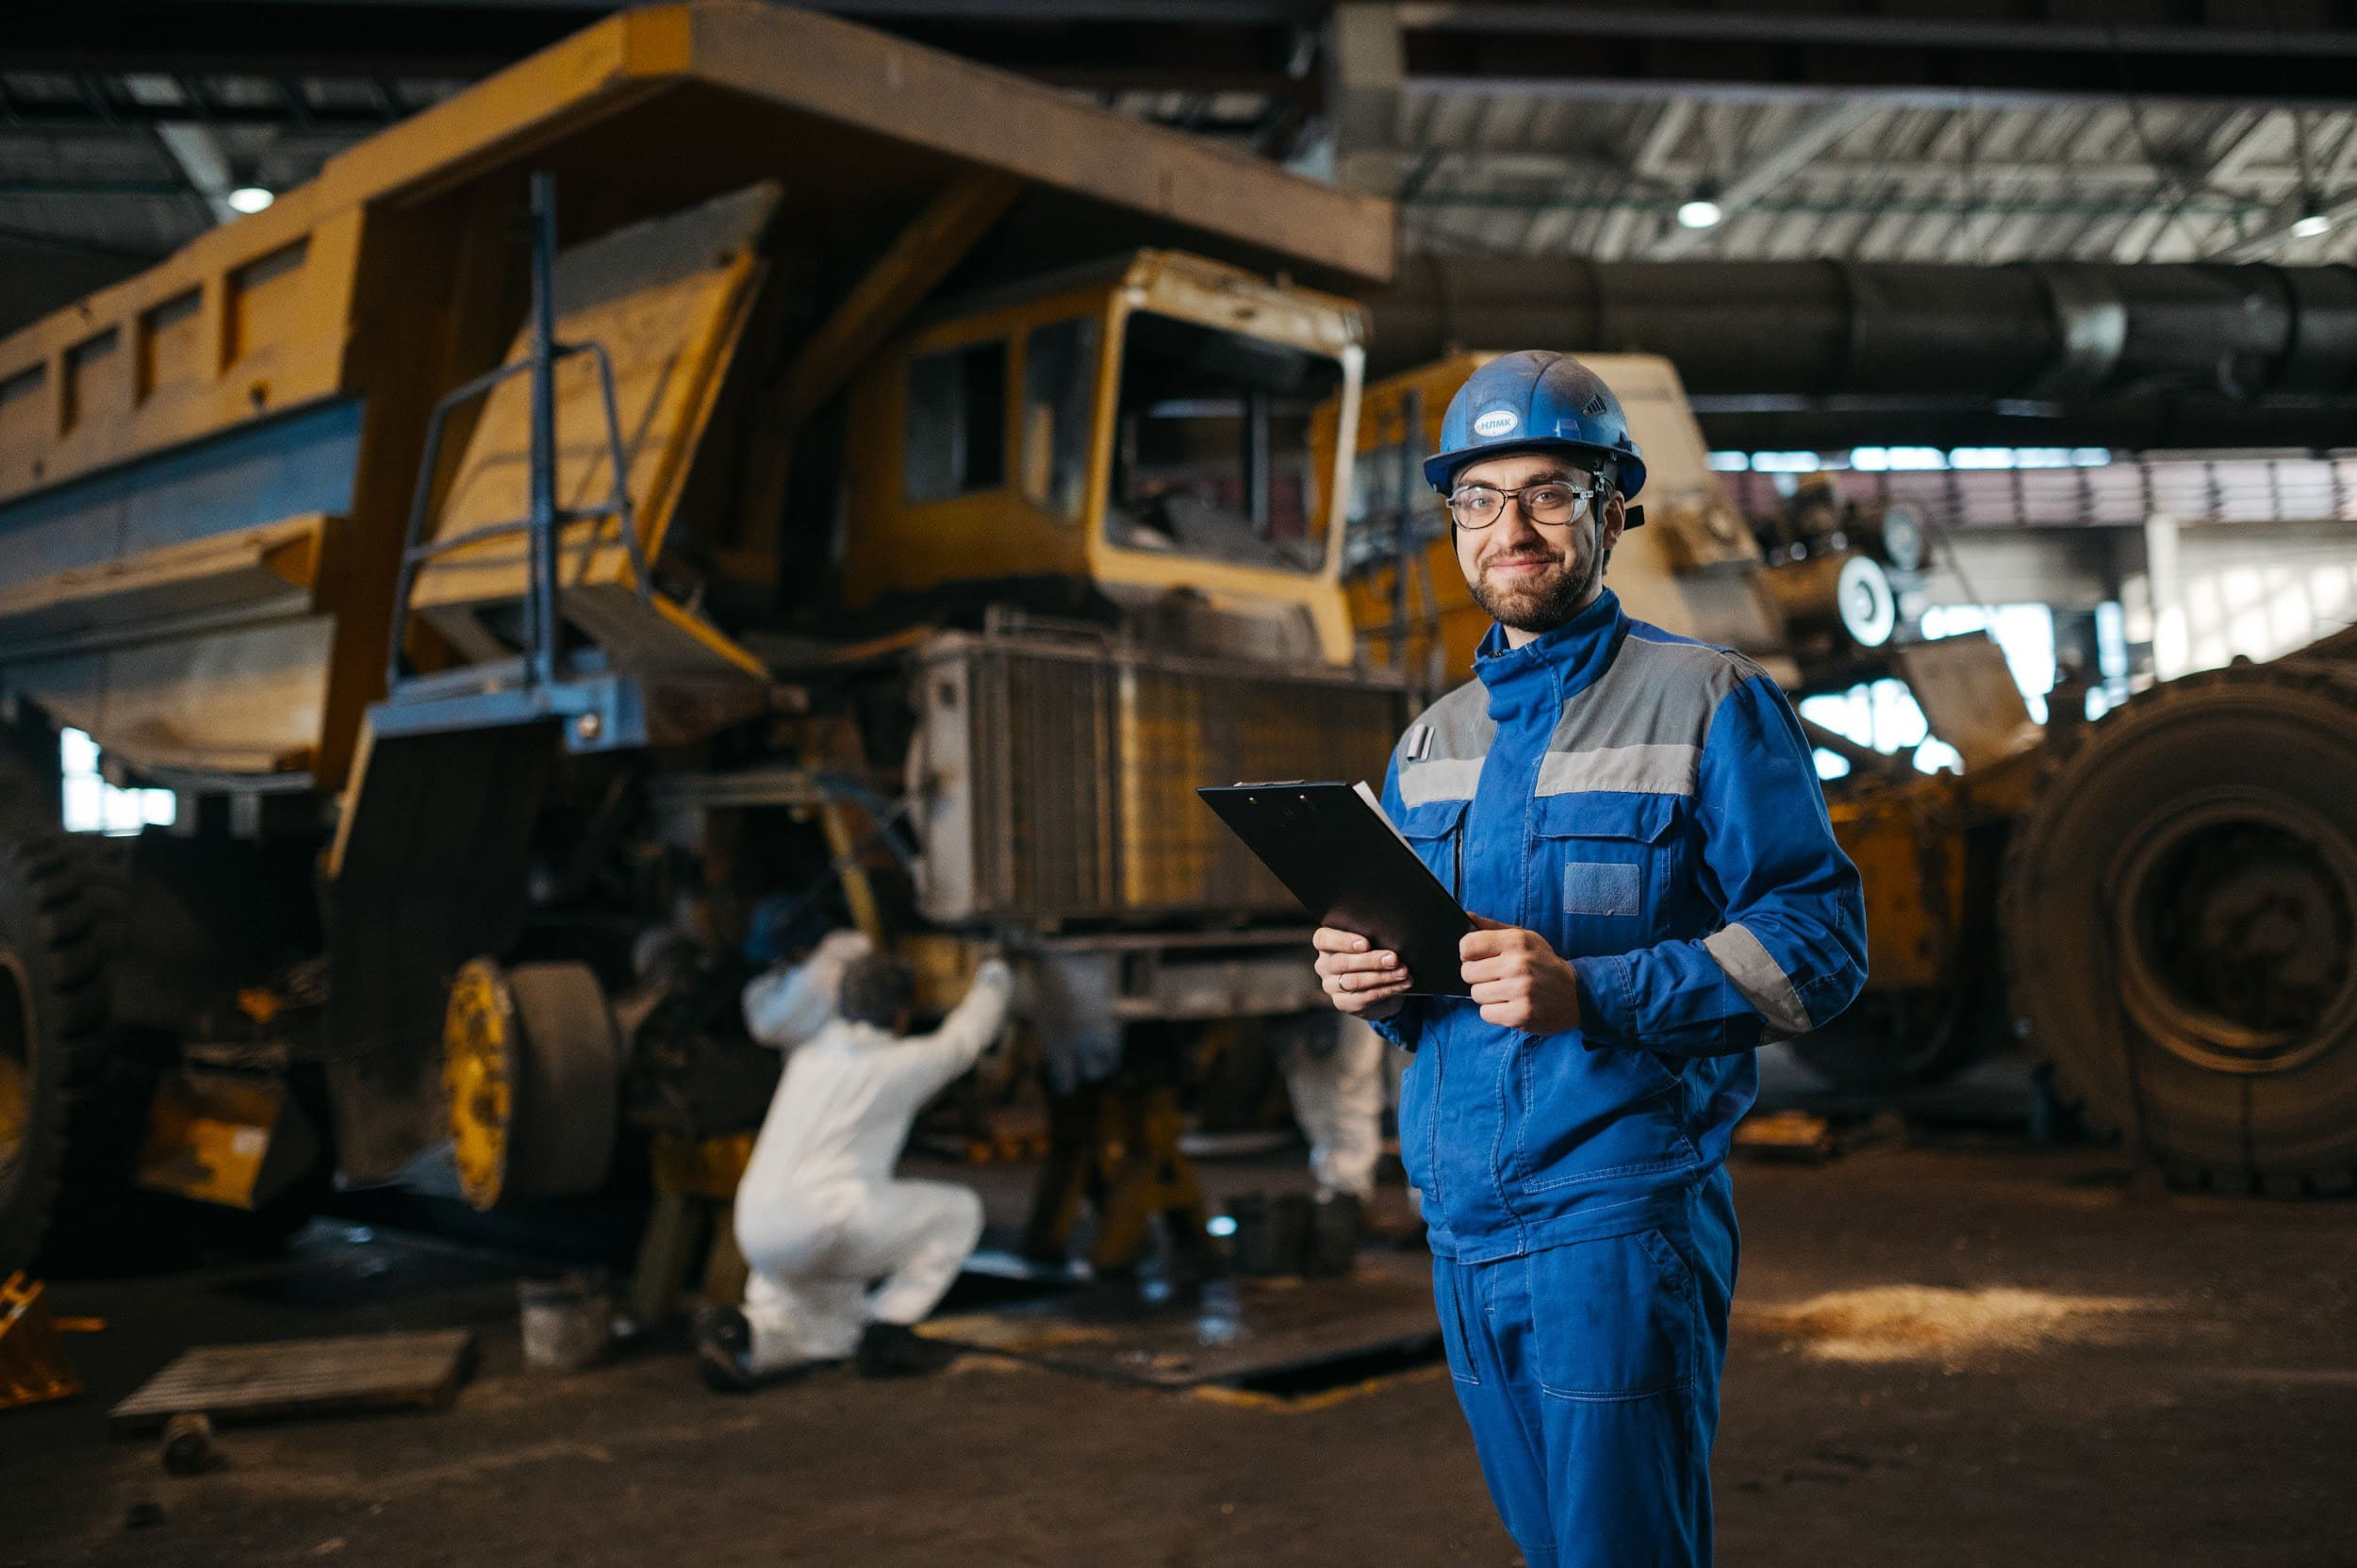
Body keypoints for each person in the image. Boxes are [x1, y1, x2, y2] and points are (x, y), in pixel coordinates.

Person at [1312, 351, 1866, 1568]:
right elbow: (1443, 987)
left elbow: (1819, 943)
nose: (1511, 526)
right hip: (1462, 1218)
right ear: (1453, 519)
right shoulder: (1430, 743)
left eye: (1550, 491)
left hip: (1614, 1217)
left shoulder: (1712, 701)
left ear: (1617, 505)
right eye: (1478, 497)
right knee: (1550, 1545)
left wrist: (1597, 991)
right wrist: (1375, 985)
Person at [698, 951, 1014, 1389]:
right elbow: (963, 1042)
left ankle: (742, 1339)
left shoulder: (807, 1057)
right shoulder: (894, 1065)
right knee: (959, 1210)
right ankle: (887, 1332)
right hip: (822, 1225)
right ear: (901, 1015)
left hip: (755, 1229)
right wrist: (996, 974)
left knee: (827, 1333)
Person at [739, 894, 874, 1051]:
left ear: (799, 951)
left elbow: (763, 1028)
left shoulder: (811, 981)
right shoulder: (855, 943)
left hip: (839, 1056)